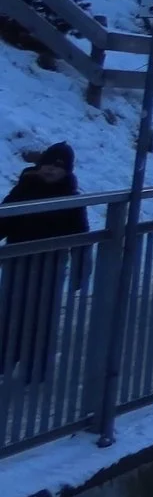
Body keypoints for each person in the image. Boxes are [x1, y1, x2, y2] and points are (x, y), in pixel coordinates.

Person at [2, 143, 89, 383]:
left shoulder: (71, 198)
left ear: (67, 172)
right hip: (16, 261)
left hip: (51, 265)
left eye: (58, 167)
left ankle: (35, 366)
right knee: (9, 311)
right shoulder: (23, 190)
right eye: (48, 165)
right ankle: (5, 359)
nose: (51, 170)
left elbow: (81, 234)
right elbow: (4, 218)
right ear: (39, 166)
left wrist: (81, 267)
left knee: (42, 315)